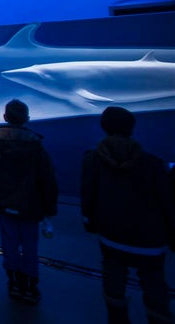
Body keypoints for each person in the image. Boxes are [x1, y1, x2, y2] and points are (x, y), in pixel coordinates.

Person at [81, 106, 175, 324]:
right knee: (154, 283)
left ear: (103, 127)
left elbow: (88, 193)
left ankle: (118, 319)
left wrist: (90, 221)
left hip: (111, 235)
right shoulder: (152, 163)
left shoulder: (93, 159)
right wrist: (172, 233)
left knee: (113, 278)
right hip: (150, 240)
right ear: (132, 128)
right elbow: (166, 202)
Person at [0, 99, 58, 304]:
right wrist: (49, 209)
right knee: (30, 245)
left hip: (4, 204)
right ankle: (31, 286)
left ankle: (13, 282)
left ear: (5, 118)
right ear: (28, 119)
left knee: (9, 243)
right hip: (31, 207)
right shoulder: (37, 146)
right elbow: (47, 179)